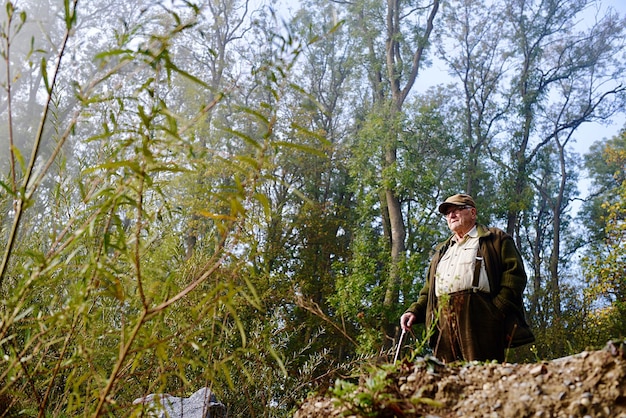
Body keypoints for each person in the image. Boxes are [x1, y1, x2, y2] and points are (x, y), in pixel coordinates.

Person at [399, 193, 533, 363]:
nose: (451, 215)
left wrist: (497, 311)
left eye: (457, 210)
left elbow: (514, 276)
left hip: (481, 315)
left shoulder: (495, 239)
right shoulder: (441, 252)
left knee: (482, 373)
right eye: (448, 213)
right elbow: (428, 292)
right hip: (442, 319)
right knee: (447, 376)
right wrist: (413, 311)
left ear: (472, 213)